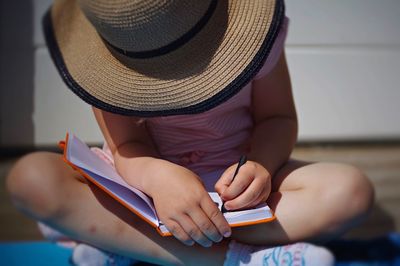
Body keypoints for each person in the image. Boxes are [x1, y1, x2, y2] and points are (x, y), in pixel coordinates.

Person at [6, 0, 374, 265]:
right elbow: (126, 146)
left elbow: (277, 118)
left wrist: (260, 164)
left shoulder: (259, 43)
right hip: (144, 194)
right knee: (31, 178)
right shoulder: (104, 65)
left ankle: (130, 248)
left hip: (236, 191)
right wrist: (160, 178)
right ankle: (237, 260)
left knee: (350, 190)